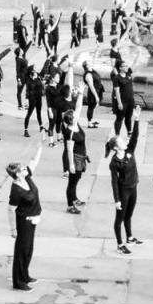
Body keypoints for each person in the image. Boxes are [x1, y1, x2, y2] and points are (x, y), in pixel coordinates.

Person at [6, 142, 43, 291]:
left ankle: (25, 275)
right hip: (24, 222)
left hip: (33, 219)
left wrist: (39, 147)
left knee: (29, 249)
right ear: (17, 173)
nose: (25, 169)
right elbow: (10, 209)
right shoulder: (16, 189)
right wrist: (13, 229)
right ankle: (18, 281)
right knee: (22, 250)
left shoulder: (26, 177)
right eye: (22, 169)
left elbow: (34, 161)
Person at [108, 106, 144, 254]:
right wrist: (116, 200)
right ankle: (120, 244)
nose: (124, 141)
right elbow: (114, 182)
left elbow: (135, 136)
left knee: (129, 214)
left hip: (133, 186)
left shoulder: (129, 151)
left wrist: (136, 119)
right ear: (116, 148)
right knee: (120, 218)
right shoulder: (114, 162)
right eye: (121, 141)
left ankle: (129, 237)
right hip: (123, 191)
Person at [63, 86, 88, 214]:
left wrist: (81, 93)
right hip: (76, 158)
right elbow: (69, 150)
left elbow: (78, 107)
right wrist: (71, 165)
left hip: (81, 156)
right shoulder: (70, 133)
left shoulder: (76, 125)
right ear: (71, 120)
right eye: (74, 116)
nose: (76, 115)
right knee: (72, 182)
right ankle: (70, 205)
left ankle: (75, 198)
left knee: (77, 179)